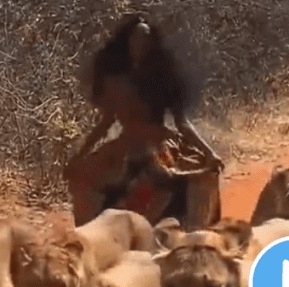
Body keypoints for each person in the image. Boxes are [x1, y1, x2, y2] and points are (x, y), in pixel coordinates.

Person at [66, 13, 223, 225]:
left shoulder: (164, 76)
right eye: (136, 38)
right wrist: (80, 155)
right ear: (127, 42)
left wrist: (210, 153)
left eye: (146, 38)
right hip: (123, 149)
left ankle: (191, 234)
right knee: (85, 180)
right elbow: (106, 123)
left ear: (153, 43)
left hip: (159, 148)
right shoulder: (116, 79)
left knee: (195, 178)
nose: (141, 43)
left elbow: (182, 123)